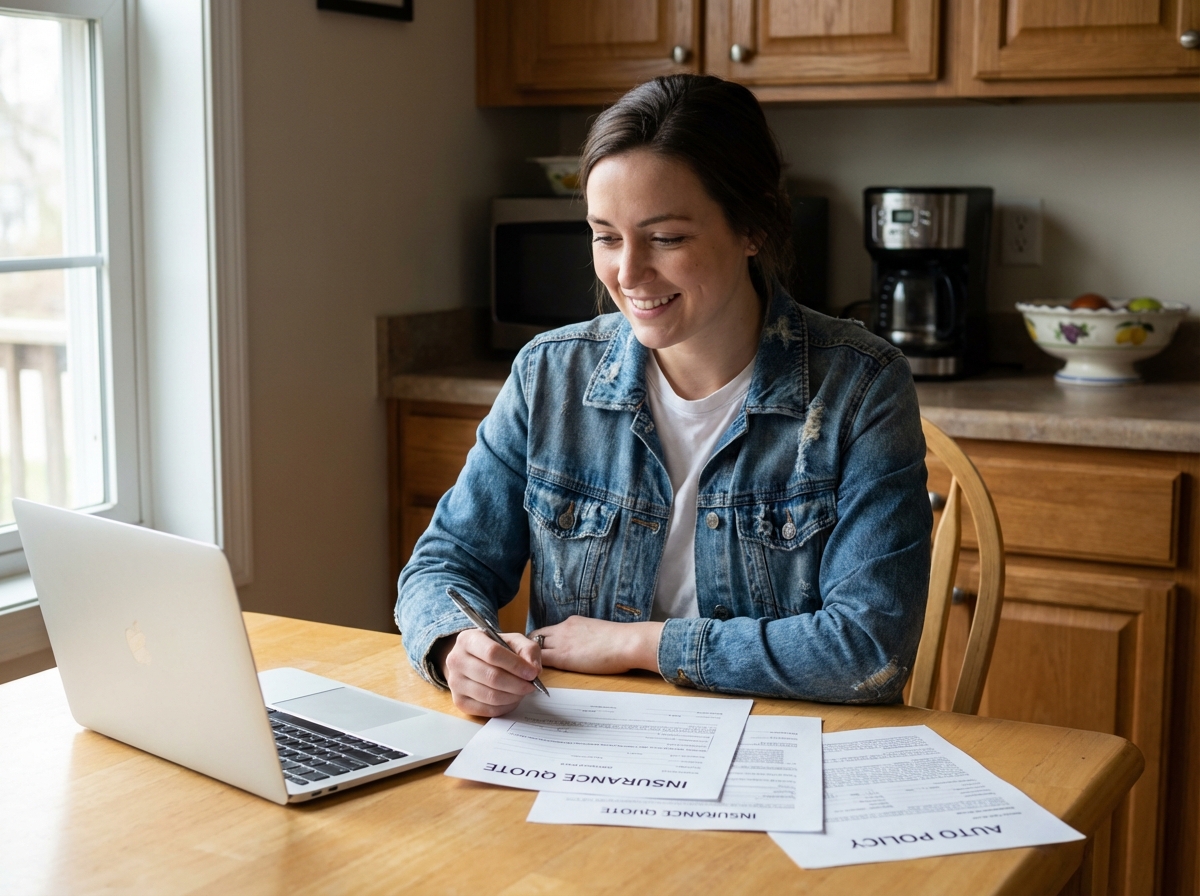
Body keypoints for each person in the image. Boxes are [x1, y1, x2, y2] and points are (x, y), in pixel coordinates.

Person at [396, 74, 932, 718]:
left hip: (784, 754)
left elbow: (869, 649)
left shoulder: (863, 387)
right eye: (606, 236)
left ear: (752, 225)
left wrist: (639, 644)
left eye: (667, 238)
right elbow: (443, 567)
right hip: (580, 747)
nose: (627, 274)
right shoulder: (549, 375)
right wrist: (457, 647)